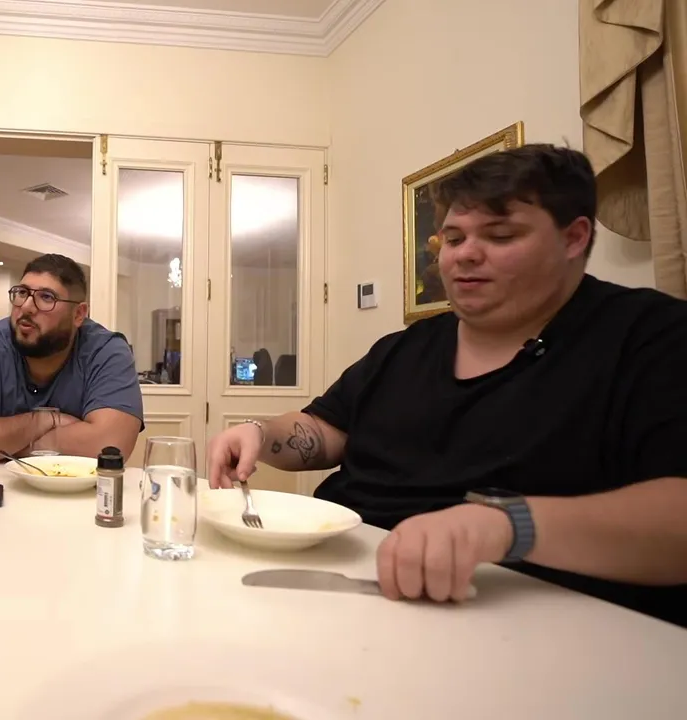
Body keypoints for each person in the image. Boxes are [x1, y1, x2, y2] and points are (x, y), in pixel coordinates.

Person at [207, 144, 687, 627]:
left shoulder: (652, 338)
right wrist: (261, 433)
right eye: (453, 239)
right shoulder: (405, 348)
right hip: (344, 583)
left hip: (514, 616)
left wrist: (505, 525)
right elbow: (324, 430)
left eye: (500, 235)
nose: (465, 254)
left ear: (574, 238)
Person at [0, 254, 143, 463]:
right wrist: (43, 420)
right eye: (22, 293)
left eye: (47, 297)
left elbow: (110, 446)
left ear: (78, 314)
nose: (26, 307)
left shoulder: (106, 351)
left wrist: (1, 445)